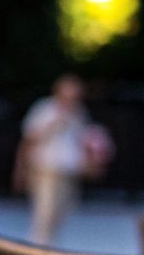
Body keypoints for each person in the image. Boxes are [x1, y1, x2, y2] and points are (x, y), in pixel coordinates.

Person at [15, 75, 101, 245]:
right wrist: (20, 169)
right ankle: (38, 249)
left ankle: (47, 245)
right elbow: (30, 139)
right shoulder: (45, 109)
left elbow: (84, 142)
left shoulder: (80, 113)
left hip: (69, 171)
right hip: (46, 169)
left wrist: (90, 161)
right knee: (45, 213)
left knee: (64, 210)